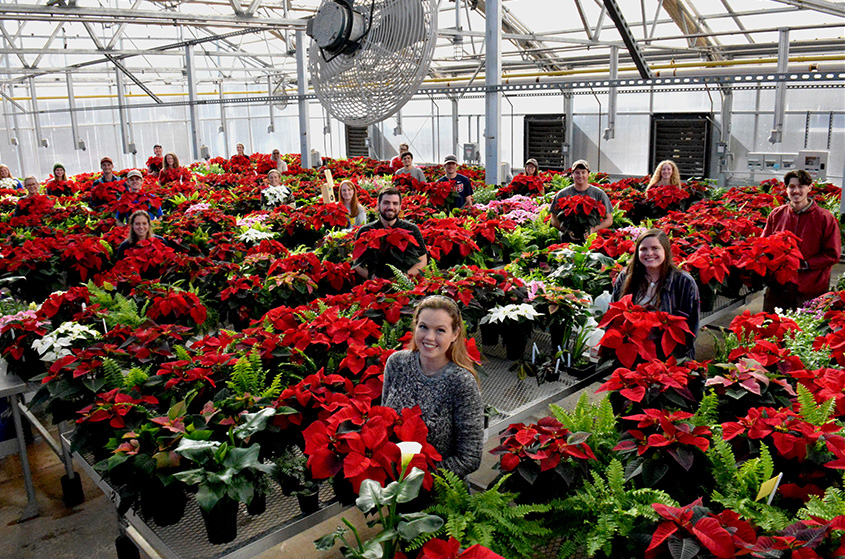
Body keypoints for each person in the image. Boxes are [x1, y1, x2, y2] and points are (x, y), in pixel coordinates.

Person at [381, 295, 483, 479]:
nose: (429, 337)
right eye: (423, 327)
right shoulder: (397, 363)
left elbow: (470, 457)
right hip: (396, 488)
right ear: (415, 326)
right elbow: (384, 423)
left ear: (455, 334)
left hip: (441, 494)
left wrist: (421, 481)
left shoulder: (461, 382)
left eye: (440, 330)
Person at [611, 229, 699, 359]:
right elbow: (613, 316)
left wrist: (682, 360)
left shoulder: (683, 282)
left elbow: (691, 326)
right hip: (634, 350)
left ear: (665, 251)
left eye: (655, 248)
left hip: (668, 354)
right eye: (643, 249)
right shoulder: (626, 276)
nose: (649, 253)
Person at [761, 169, 841, 312]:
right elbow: (763, 244)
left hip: (810, 287)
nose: (796, 191)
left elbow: (832, 254)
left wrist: (804, 264)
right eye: (792, 186)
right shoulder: (777, 214)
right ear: (786, 189)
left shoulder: (824, 218)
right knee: (771, 326)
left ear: (809, 188)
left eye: (801, 186)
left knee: (804, 330)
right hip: (779, 287)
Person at [353, 186, 428, 279]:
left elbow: (422, 259)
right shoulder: (366, 231)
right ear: (378, 205)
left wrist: (403, 278)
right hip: (375, 286)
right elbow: (356, 261)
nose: (391, 207)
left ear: (400, 206)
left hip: (404, 286)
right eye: (386, 203)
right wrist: (373, 278)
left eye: (395, 203)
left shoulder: (411, 229)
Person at [549, 159, 613, 239]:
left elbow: (609, 220)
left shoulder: (599, 194)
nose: (580, 175)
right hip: (567, 239)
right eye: (577, 172)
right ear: (572, 174)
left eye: (583, 172)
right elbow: (553, 219)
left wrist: (593, 229)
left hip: (590, 239)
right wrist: (566, 230)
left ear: (588, 174)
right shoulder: (562, 194)